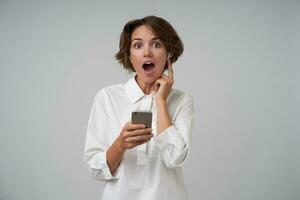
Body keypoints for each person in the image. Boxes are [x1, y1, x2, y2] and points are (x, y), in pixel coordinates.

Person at [84, 15, 195, 200]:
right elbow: (95, 169)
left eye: (156, 44)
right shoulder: (107, 98)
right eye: (137, 45)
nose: (147, 53)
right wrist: (120, 145)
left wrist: (161, 102)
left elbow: (175, 158)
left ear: (169, 54)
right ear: (129, 54)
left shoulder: (182, 100)